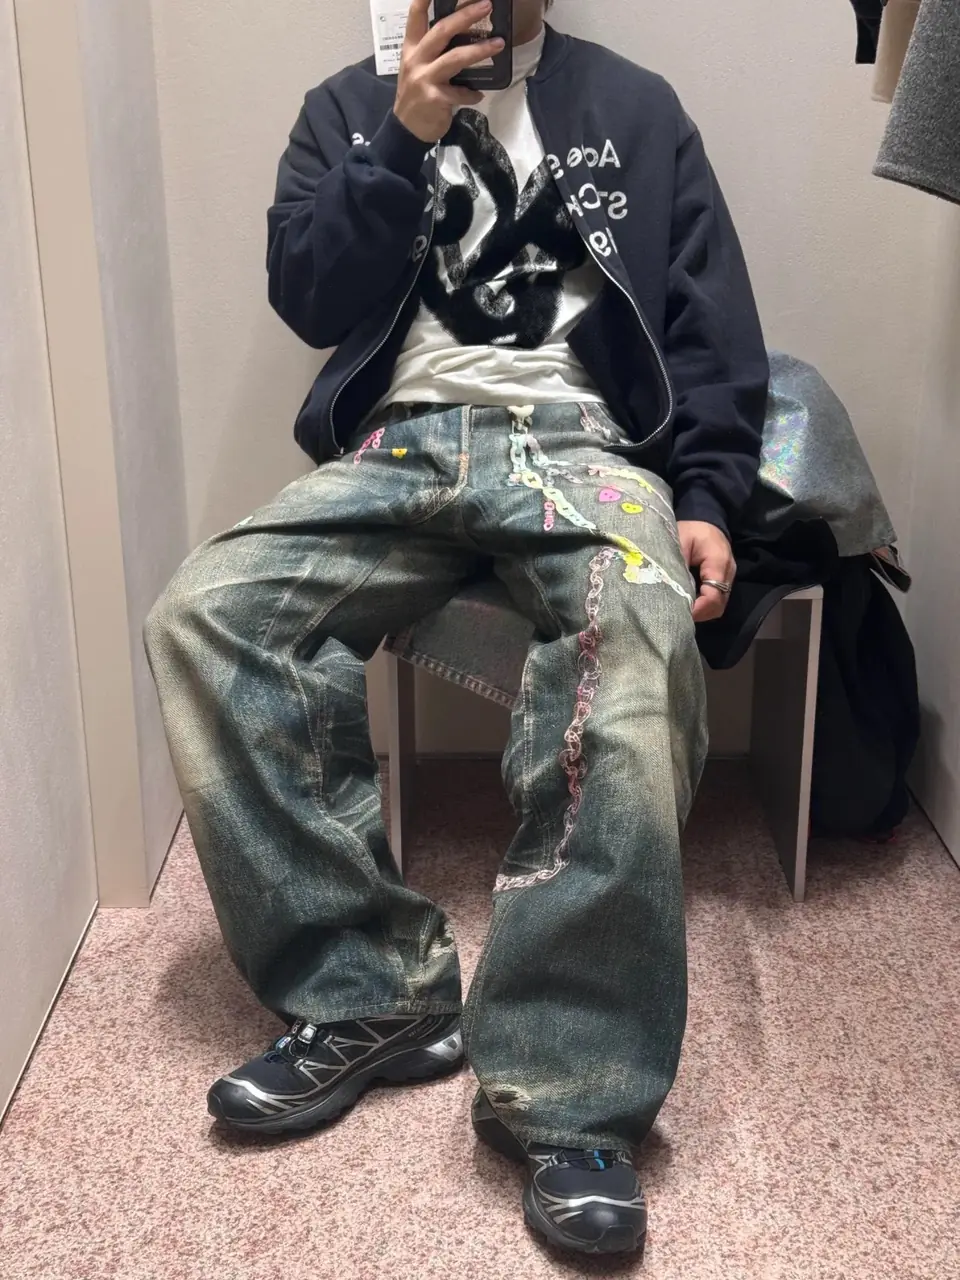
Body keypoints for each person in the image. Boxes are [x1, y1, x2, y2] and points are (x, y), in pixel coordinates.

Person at [145, 0, 768, 1258]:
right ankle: (370, 992)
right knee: (208, 614)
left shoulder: (636, 108)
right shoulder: (346, 106)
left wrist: (707, 496)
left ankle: (572, 1089)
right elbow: (307, 295)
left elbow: (710, 322)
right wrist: (400, 136)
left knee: (637, 649)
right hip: (401, 448)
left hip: (583, 448)